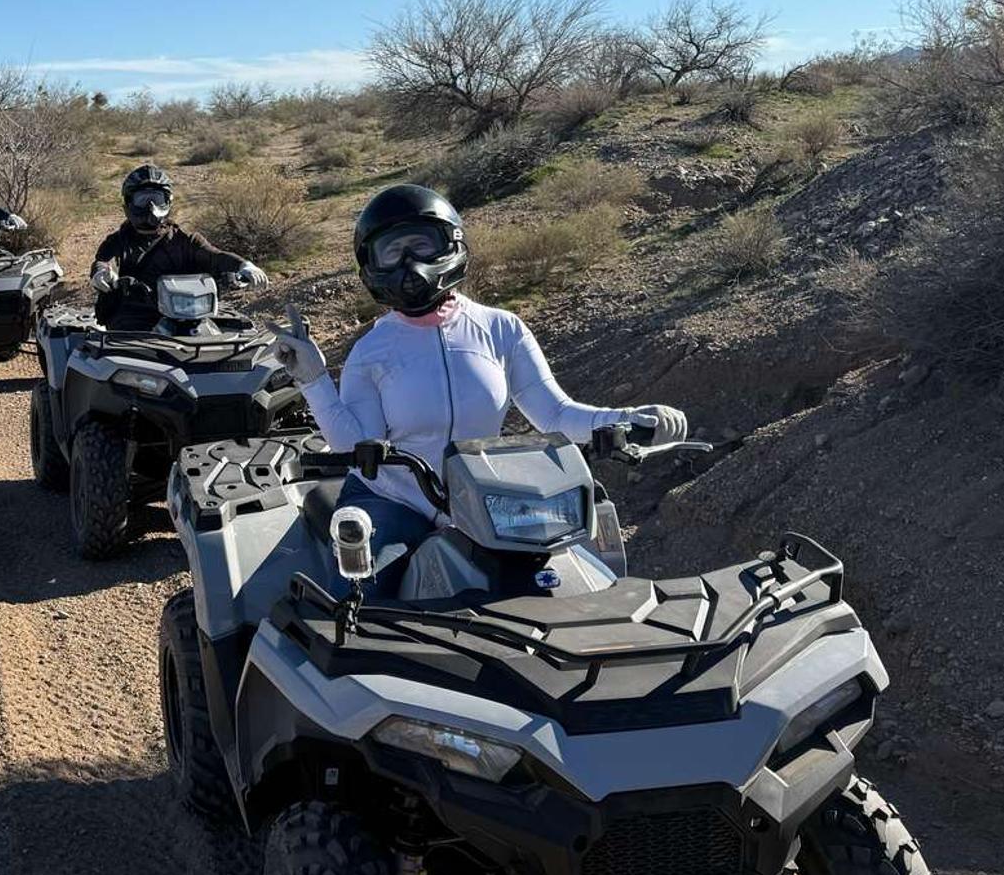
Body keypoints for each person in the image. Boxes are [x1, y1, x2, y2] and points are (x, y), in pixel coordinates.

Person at [266, 184, 688, 596]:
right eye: (392, 251)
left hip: (489, 499)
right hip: (395, 500)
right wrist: (314, 379)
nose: (409, 262)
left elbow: (556, 415)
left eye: (420, 245)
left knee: (581, 584)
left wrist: (627, 419)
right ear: (371, 266)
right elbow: (356, 447)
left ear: (450, 243)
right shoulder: (371, 351)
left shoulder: (502, 329)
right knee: (360, 600)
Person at [89, 164, 269, 330]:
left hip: (188, 312)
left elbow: (215, 256)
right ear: (128, 204)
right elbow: (105, 261)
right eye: (143, 199)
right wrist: (102, 273)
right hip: (134, 315)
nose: (150, 206)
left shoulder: (185, 239)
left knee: (233, 332)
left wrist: (244, 265)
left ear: (167, 201)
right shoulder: (117, 241)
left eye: (156, 198)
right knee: (125, 349)